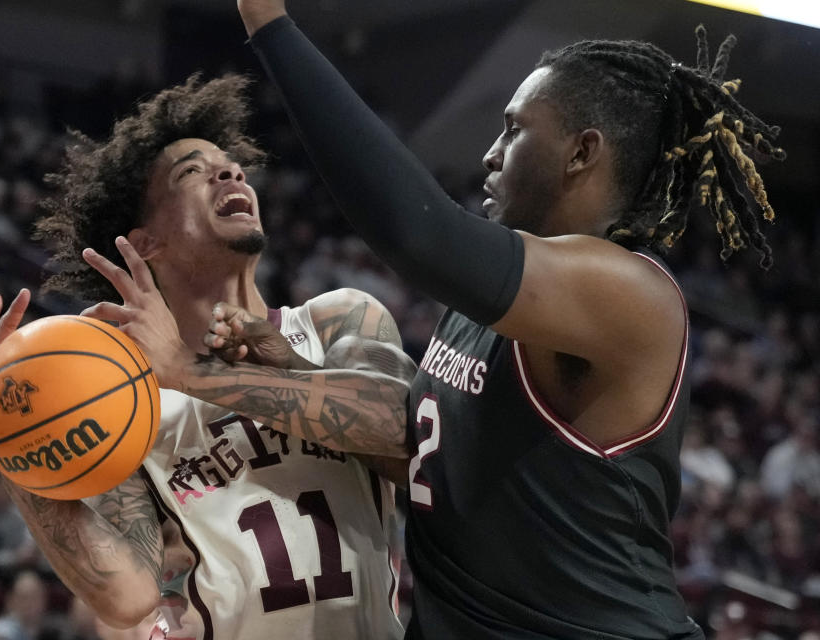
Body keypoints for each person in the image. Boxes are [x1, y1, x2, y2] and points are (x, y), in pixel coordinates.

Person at [225, 2, 786, 638]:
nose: (490, 156)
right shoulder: (492, 298)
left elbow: (417, 232)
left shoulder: (629, 293)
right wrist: (291, 372)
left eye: (513, 130)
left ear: (582, 153)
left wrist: (270, 23)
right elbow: (433, 471)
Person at [0, 75, 415, 639]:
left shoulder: (338, 318)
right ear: (145, 243)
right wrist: (11, 449)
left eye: (230, 165)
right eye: (193, 172)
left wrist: (193, 373)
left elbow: (404, 434)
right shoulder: (127, 402)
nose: (231, 172)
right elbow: (127, 596)